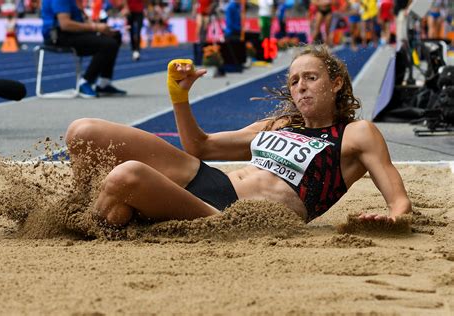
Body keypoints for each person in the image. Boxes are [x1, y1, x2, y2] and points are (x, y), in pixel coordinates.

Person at [64, 44, 412, 227]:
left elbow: (399, 200)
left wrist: (394, 216)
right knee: (83, 132)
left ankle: (98, 220)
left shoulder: (355, 134)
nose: (301, 87)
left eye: (311, 78)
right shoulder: (281, 123)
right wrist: (180, 96)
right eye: (294, 81)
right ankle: (89, 210)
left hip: (239, 216)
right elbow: (200, 146)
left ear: (335, 83)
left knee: (127, 176)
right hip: (210, 185)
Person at [41, 0, 127, 98]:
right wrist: (95, 27)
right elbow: (65, 24)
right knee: (108, 44)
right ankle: (85, 82)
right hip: (58, 37)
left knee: (115, 37)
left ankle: (104, 83)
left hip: (70, 33)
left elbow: (79, 20)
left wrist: (101, 28)